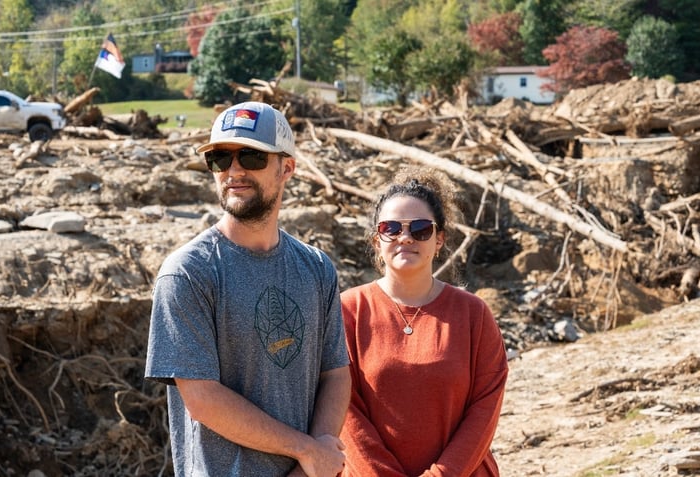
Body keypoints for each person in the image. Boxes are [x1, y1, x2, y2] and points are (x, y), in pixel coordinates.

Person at [145, 102, 351, 477]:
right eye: (220, 159)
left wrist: (312, 464)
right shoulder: (188, 273)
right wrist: (306, 449)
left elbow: (335, 374)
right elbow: (203, 399)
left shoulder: (317, 268)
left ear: (286, 167)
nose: (234, 171)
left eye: (252, 156)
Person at [340, 168, 509, 476]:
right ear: (377, 241)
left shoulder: (474, 315)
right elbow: (343, 411)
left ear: (439, 240)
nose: (405, 237)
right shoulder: (347, 310)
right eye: (391, 228)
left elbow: (484, 413)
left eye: (420, 229)